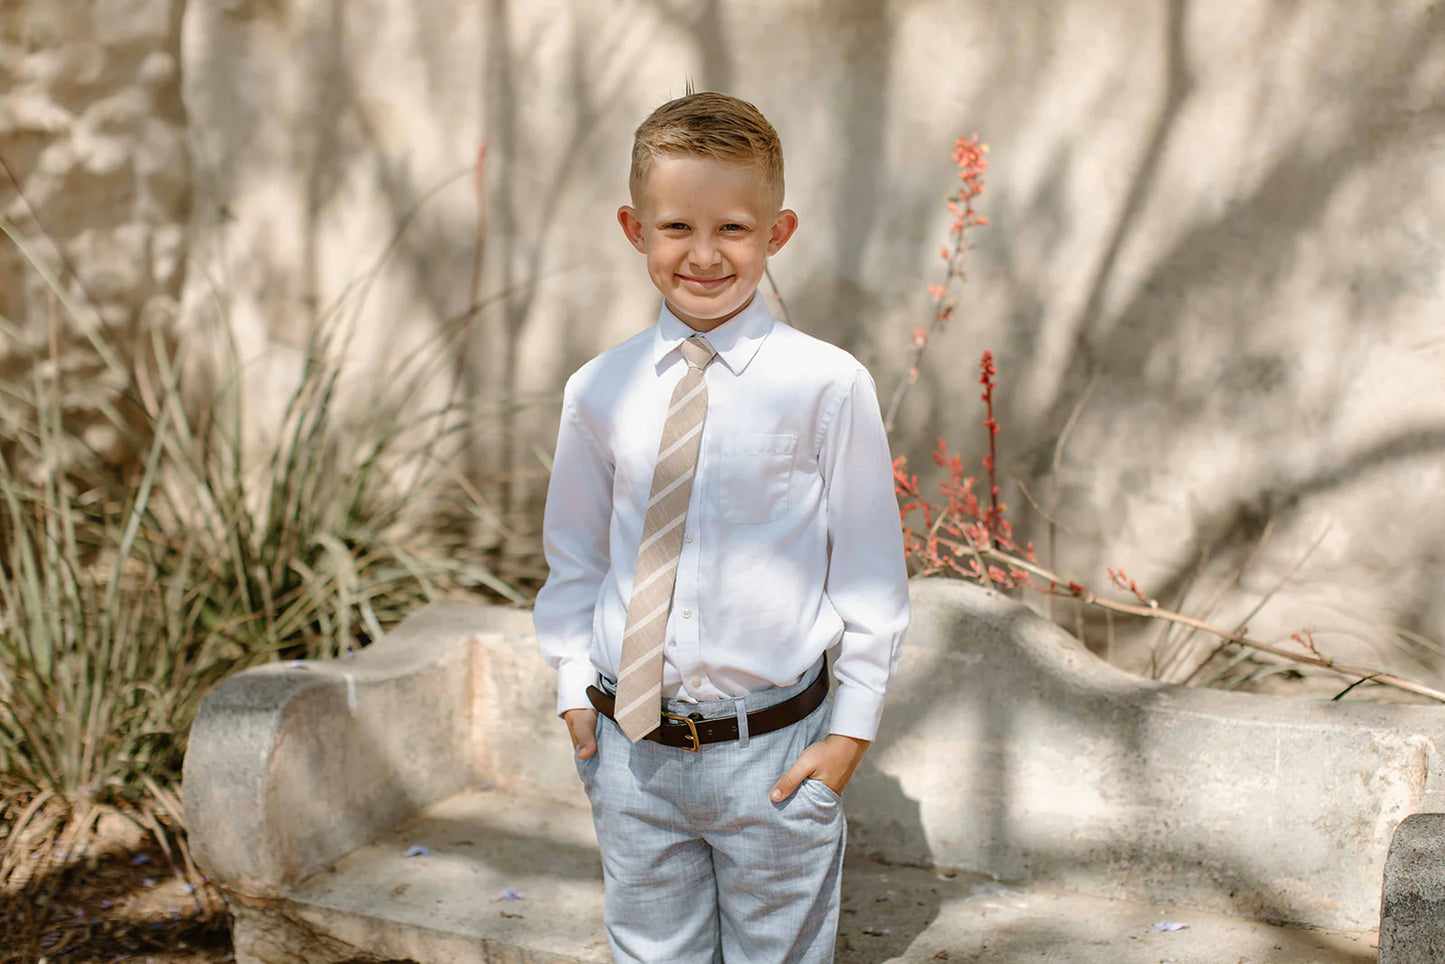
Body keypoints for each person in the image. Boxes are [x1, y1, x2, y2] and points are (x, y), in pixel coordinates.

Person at [533, 90, 910, 963]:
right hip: (629, 751)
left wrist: (849, 733)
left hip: (773, 754)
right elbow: (576, 556)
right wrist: (567, 687)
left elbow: (867, 572)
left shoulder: (827, 384)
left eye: (733, 229)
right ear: (634, 228)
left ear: (776, 233)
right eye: (675, 228)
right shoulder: (598, 389)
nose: (703, 255)